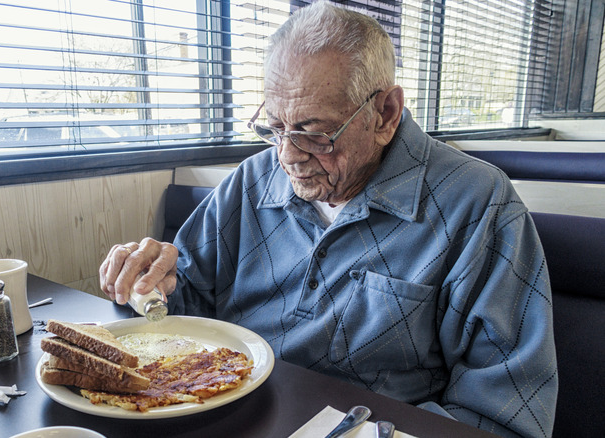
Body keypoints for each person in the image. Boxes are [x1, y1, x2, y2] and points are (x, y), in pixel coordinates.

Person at [99, 2, 557, 437]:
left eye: (314, 134)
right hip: (220, 415)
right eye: (274, 128)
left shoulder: (477, 204)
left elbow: (503, 412)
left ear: (386, 114)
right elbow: (187, 306)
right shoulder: (252, 181)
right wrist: (150, 280)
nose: (287, 156)